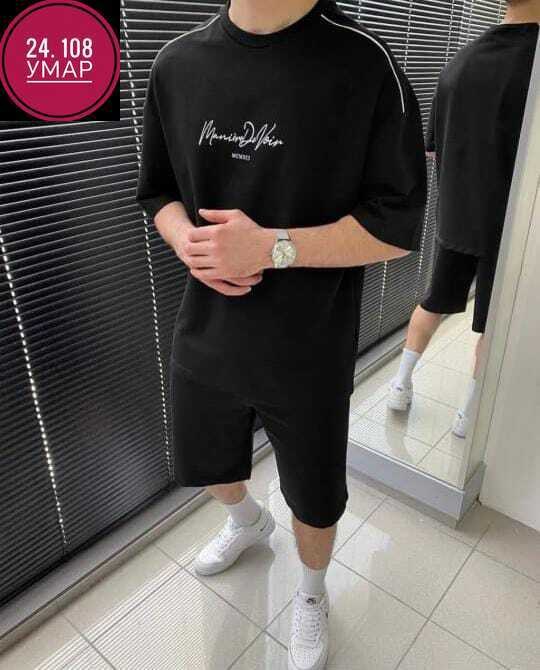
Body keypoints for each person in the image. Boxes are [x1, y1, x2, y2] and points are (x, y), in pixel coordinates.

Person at [136, 1, 426, 667]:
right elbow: (157, 191)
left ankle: (313, 592)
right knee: (204, 465)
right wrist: (186, 241)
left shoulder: (363, 64)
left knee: (315, 499)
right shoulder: (177, 63)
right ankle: (247, 521)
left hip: (309, 344)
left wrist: (271, 248)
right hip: (206, 328)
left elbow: (397, 227)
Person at [388, 0, 539, 438]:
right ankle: (469, 414)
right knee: (494, 325)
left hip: (457, 216)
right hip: (511, 227)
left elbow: (434, 148)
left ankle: (400, 384)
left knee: (434, 301)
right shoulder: (534, 66)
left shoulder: (460, 62)